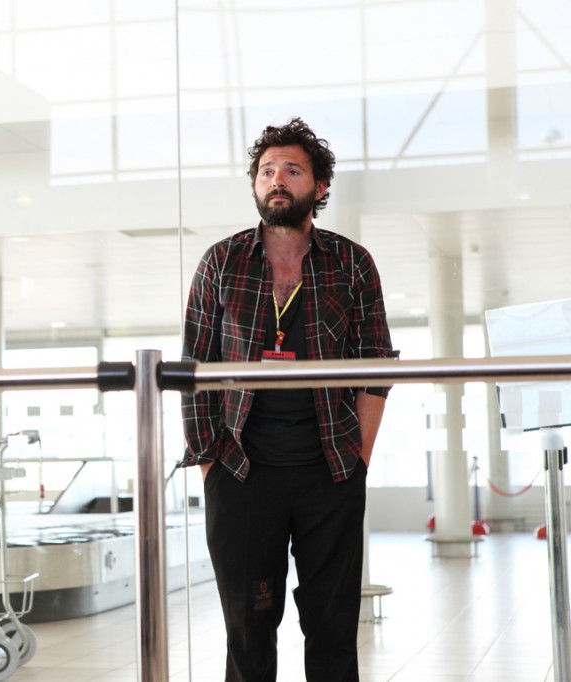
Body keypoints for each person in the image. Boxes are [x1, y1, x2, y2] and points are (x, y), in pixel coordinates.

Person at [180, 117, 394, 682]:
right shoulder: (220, 262)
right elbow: (192, 369)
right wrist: (209, 463)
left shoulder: (351, 262)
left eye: (293, 170)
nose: (278, 179)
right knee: (248, 631)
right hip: (242, 471)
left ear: (319, 187)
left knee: (331, 628)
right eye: (267, 170)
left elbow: (377, 367)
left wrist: (358, 459)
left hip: (331, 468)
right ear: (255, 185)